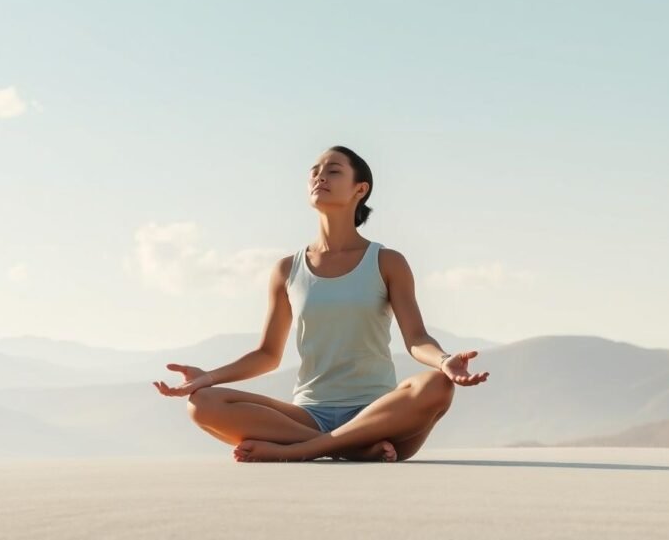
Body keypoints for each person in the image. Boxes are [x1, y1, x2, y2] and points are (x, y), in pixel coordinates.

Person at [153, 145, 490, 462]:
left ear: (360, 189)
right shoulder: (287, 269)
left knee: (437, 385)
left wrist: (445, 361)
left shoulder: (387, 262)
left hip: (380, 415)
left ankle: (307, 450)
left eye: (333, 171)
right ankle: (348, 449)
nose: (319, 177)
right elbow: (267, 355)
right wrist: (207, 378)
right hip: (308, 415)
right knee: (203, 404)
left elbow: (416, 339)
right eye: (314, 172)